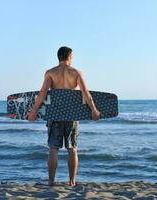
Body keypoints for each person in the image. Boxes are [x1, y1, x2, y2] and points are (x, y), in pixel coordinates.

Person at [27, 46, 101, 187]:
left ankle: (51, 181)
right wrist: (94, 110)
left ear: (58, 57)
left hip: (55, 115)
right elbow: (86, 93)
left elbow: (43, 92)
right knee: (72, 148)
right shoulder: (76, 73)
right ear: (70, 57)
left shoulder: (50, 73)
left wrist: (33, 110)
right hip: (72, 115)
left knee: (53, 149)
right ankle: (72, 182)